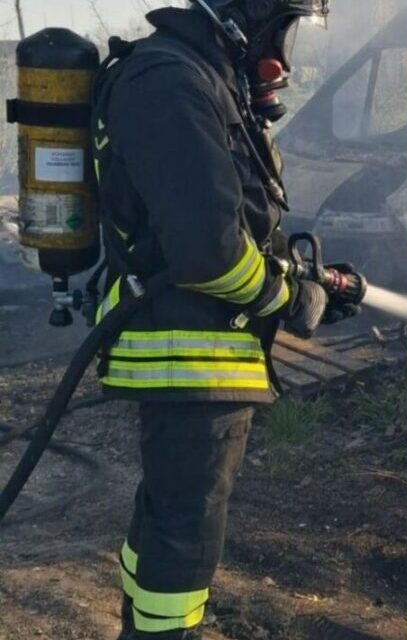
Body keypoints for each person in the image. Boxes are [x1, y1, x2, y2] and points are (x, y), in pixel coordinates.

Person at [90, 1, 332, 637]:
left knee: (168, 517)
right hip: (187, 355)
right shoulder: (169, 81)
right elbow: (209, 249)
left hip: (198, 353)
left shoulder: (201, 76)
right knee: (186, 532)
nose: (284, 52)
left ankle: (143, 630)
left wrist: (300, 280)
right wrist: (282, 298)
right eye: (282, 28)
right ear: (240, 16)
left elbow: (236, 219)